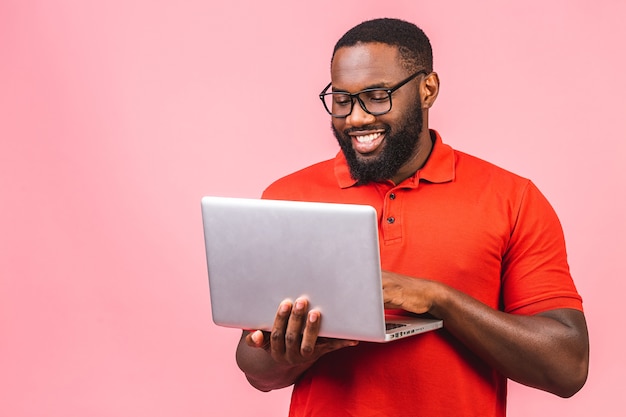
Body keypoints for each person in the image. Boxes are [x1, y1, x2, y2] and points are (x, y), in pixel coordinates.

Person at [235, 18, 589, 417]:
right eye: (342, 99)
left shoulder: (513, 198)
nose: (355, 118)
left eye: (377, 95)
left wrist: (438, 300)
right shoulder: (286, 198)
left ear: (427, 89)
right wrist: (291, 353)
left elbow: (567, 367)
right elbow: (257, 373)